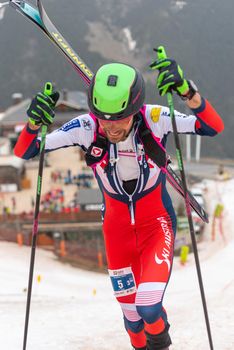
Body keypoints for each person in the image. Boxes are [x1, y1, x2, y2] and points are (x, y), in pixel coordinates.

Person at [14, 57, 224, 349]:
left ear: (135, 110)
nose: (111, 128)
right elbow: (25, 151)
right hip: (117, 234)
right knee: (132, 322)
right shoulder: (85, 127)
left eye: (120, 119)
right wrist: (35, 123)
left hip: (156, 226)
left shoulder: (155, 118)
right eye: (104, 119)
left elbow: (213, 126)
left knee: (149, 308)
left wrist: (188, 92)